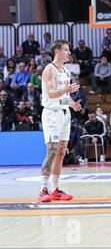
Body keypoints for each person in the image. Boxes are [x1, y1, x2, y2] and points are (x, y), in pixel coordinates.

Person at [38, 40, 82, 203]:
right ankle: (43, 188)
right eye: (65, 50)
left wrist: (73, 104)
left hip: (64, 114)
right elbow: (50, 93)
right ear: (57, 51)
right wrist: (66, 89)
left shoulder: (66, 71)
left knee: (62, 151)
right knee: (52, 150)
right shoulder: (49, 69)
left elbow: (64, 96)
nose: (68, 53)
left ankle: (55, 188)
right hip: (51, 114)